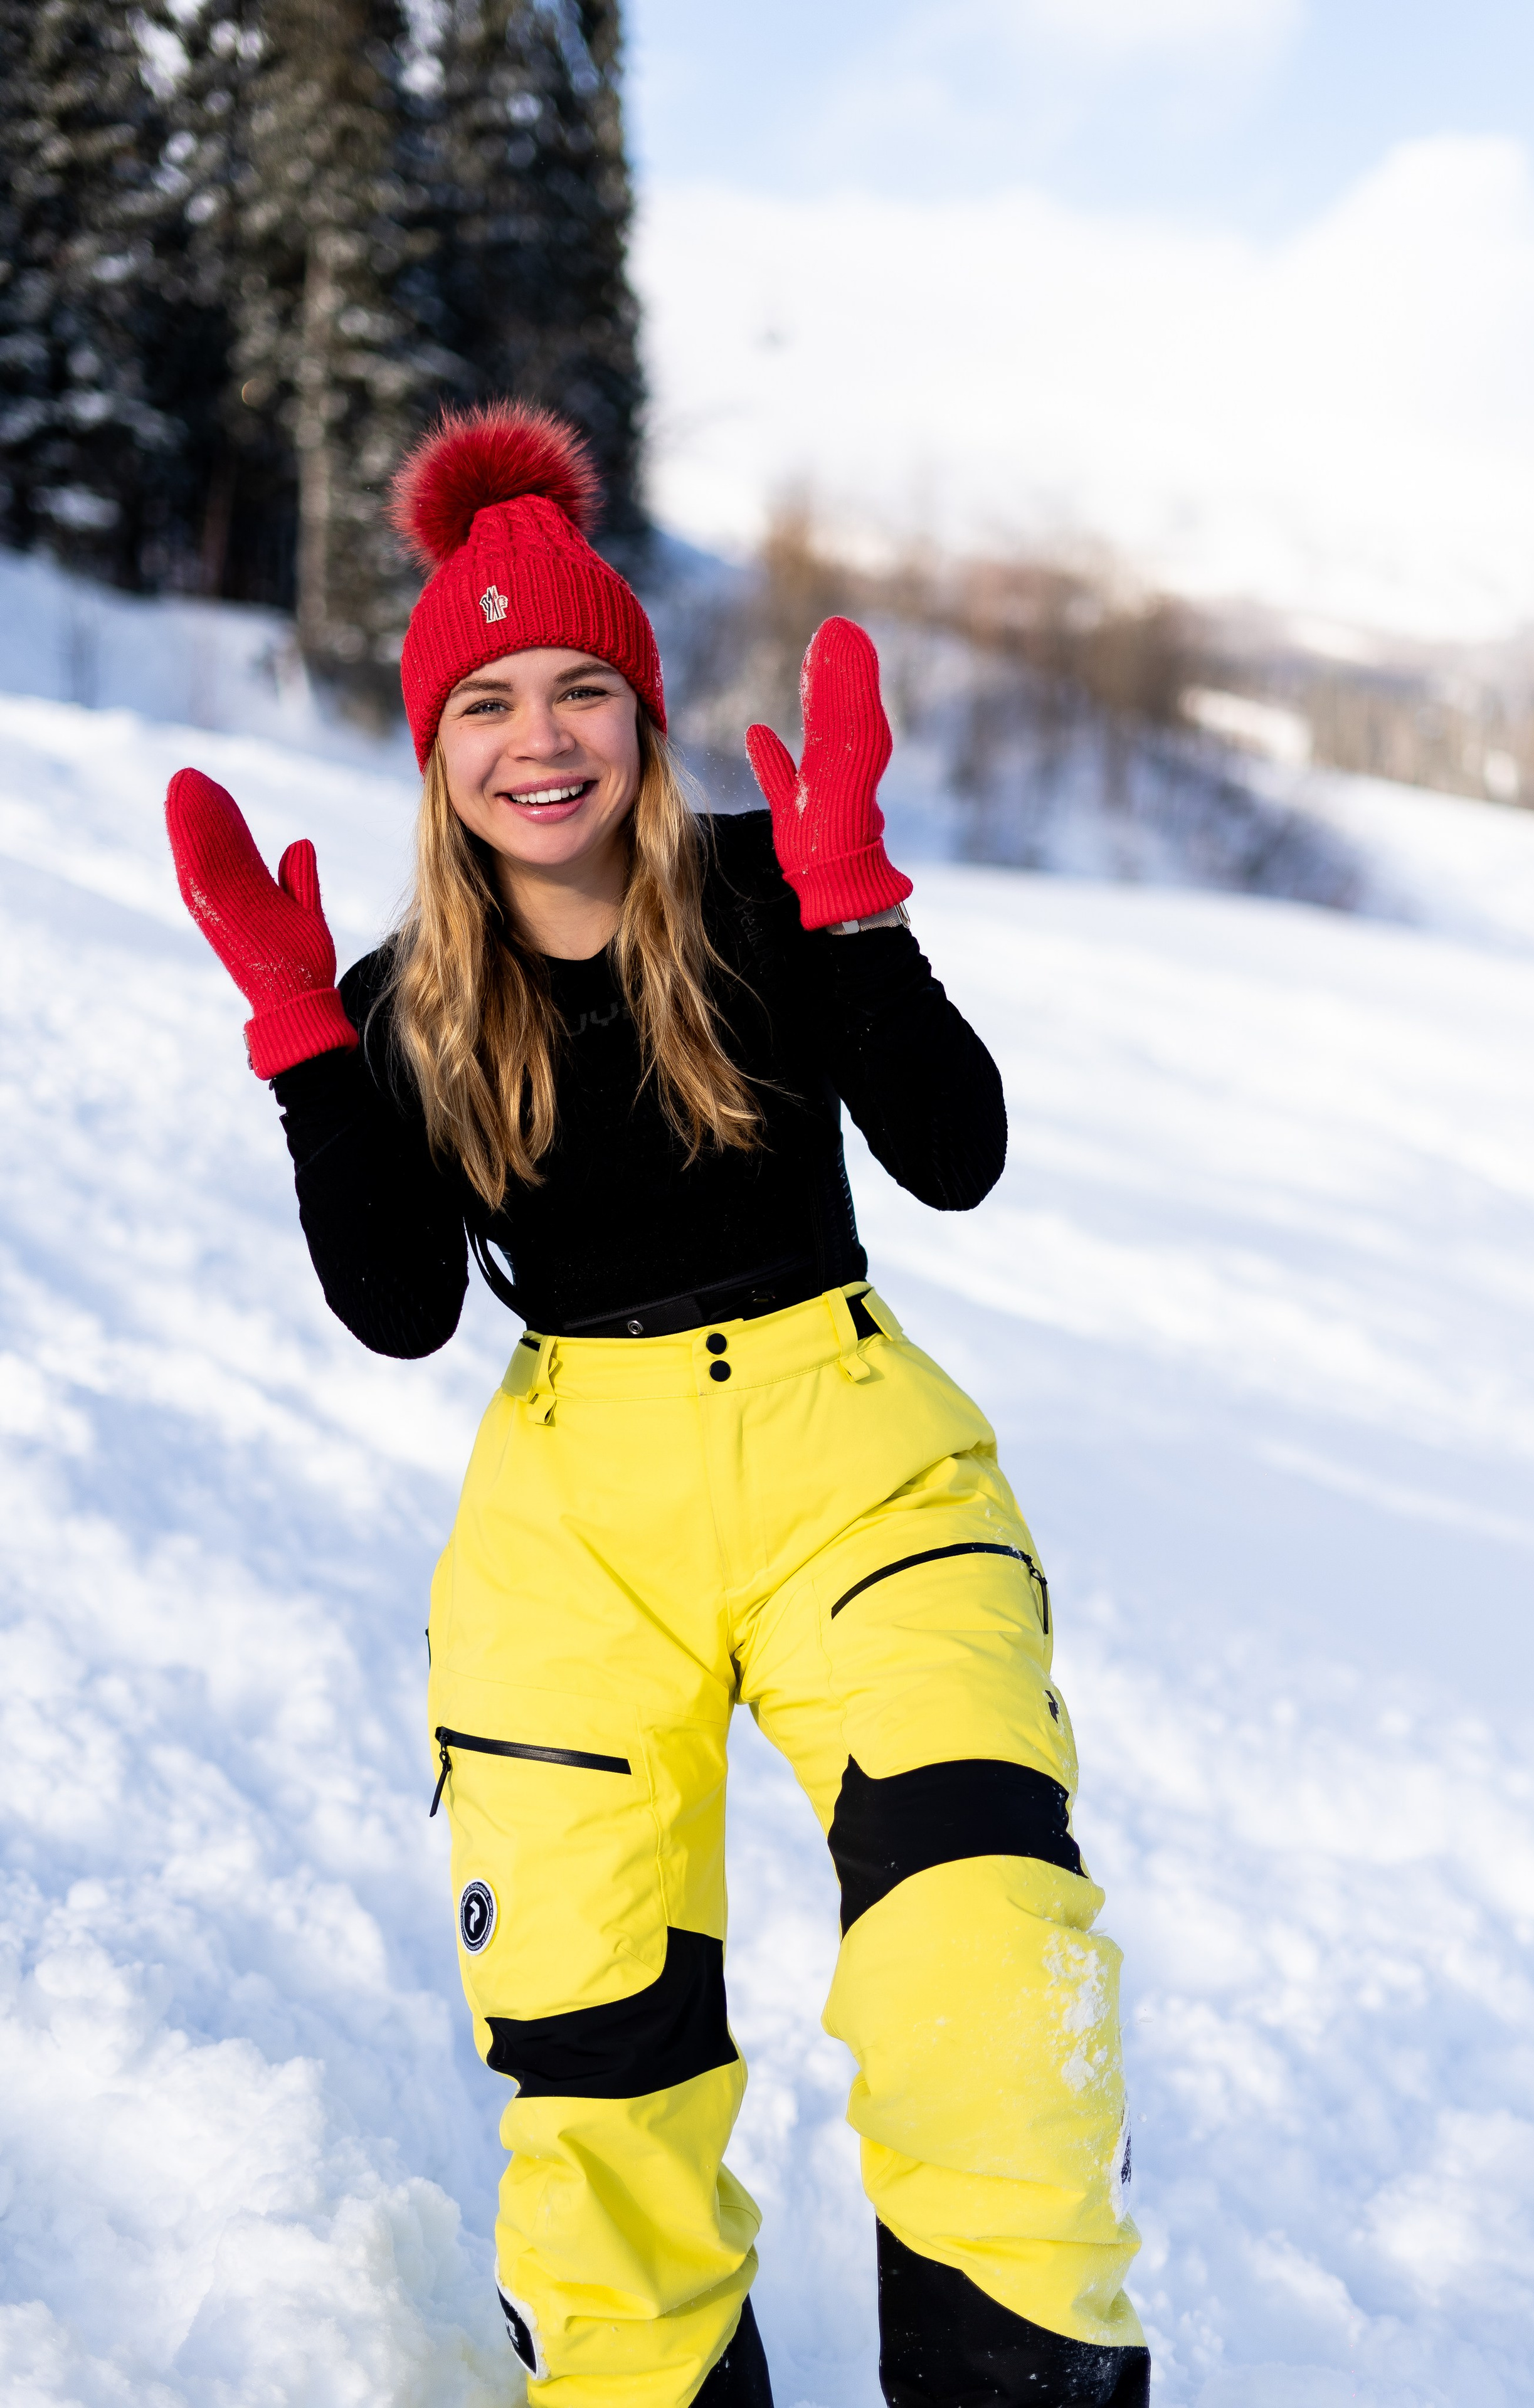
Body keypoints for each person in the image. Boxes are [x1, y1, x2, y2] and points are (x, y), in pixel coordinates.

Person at [165, 403, 1148, 2408]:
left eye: (583, 691)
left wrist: (859, 903)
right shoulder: (409, 999)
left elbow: (955, 1154)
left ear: (644, 713)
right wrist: (304, 1045)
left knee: (981, 1942)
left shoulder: (767, 890)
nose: (541, 740)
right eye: (487, 704)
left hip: (855, 1468)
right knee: (591, 2035)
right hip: (574, 1525)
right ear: (434, 752)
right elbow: (396, 1310)